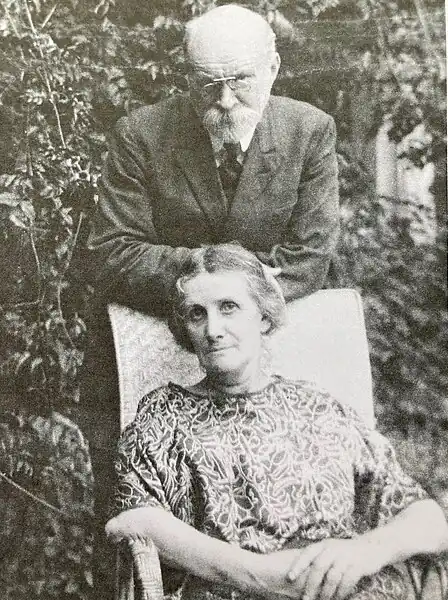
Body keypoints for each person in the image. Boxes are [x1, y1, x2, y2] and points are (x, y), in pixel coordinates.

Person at [84, 6, 339, 597]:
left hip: (266, 355)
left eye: (240, 80)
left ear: (273, 67)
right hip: (153, 350)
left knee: (280, 507)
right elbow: (113, 252)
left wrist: (219, 286)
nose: (224, 100)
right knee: (143, 530)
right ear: (186, 75)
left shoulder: (309, 131)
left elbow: (310, 256)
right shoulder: (142, 134)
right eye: (207, 83)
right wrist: (218, 276)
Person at [106, 244, 448, 600]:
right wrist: (262, 576)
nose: (213, 329)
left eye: (228, 307)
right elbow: (130, 521)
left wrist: (365, 552)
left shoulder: (318, 407)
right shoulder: (166, 415)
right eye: (197, 314)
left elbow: (428, 519)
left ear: (263, 317)